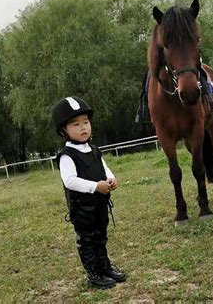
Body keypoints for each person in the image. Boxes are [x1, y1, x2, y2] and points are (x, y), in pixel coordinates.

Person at [52, 96, 126, 289]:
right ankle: (93, 273)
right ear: (64, 130)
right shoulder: (67, 156)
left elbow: (104, 167)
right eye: (76, 124)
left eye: (86, 122)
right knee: (87, 240)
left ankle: (104, 267)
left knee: (101, 236)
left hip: (100, 204)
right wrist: (95, 187)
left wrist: (111, 178)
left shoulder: (93, 150)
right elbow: (70, 181)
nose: (83, 127)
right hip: (82, 208)